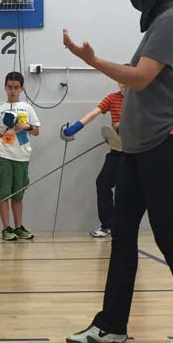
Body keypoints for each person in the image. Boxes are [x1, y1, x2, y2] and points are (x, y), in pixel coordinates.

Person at [63, 0, 173, 343]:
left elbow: (141, 78)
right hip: (137, 149)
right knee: (123, 235)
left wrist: (92, 61)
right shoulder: (162, 21)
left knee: (168, 238)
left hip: (162, 146)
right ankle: (111, 325)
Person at [60, 82, 126, 237]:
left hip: (135, 153)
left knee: (127, 190)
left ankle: (124, 227)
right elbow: (94, 113)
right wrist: (74, 128)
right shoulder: (112, 98)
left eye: (125, 79)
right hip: (116, 151)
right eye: (120, 79)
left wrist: (120, 127)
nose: (122, 83)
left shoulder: (141, 99)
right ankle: (107, 226)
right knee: (103, 183)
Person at [0, 71, 40, 241]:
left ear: (21, 89)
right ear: (5, 87)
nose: (12, 91)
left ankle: (19, 227)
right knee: (4, 192)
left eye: (16, 88)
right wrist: (5, 124)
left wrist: (24, 126)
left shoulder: (27, 108)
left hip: (22, 156)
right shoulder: (0, 109)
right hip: (4, 155)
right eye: (9, 87)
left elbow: (36, 131)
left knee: (18, 194)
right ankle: (6, 228)